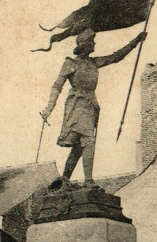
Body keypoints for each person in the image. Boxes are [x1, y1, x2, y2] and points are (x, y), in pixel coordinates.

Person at [40, 28, 146, 183]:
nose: (94, 43)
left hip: (90, 105)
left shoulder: (93, 63)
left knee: (79, 146)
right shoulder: (71, 63)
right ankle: (88, 180)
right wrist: (49, 108)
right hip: (76, 105)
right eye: (92, 41)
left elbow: (115, 57)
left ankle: (64, 179)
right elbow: (57, 86)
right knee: (87, 139)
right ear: (84, 44)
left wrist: (136, 41)